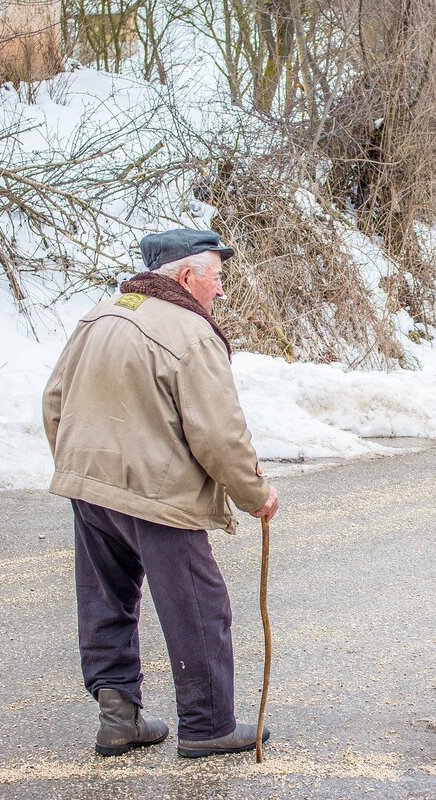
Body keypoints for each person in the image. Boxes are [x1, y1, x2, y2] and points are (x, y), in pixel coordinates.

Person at [42, 228, 279, 759]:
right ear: (188, 275)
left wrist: (78, 465)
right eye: (217, 278)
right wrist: (254, 493)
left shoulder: (99, 315)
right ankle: (209, 726)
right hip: (156, 493)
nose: (221, 292)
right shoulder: (191, 333)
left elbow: (54, 399)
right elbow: (219, 434)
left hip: (90, 485)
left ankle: (119, 718)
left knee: (106, 600)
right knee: (199, 606)